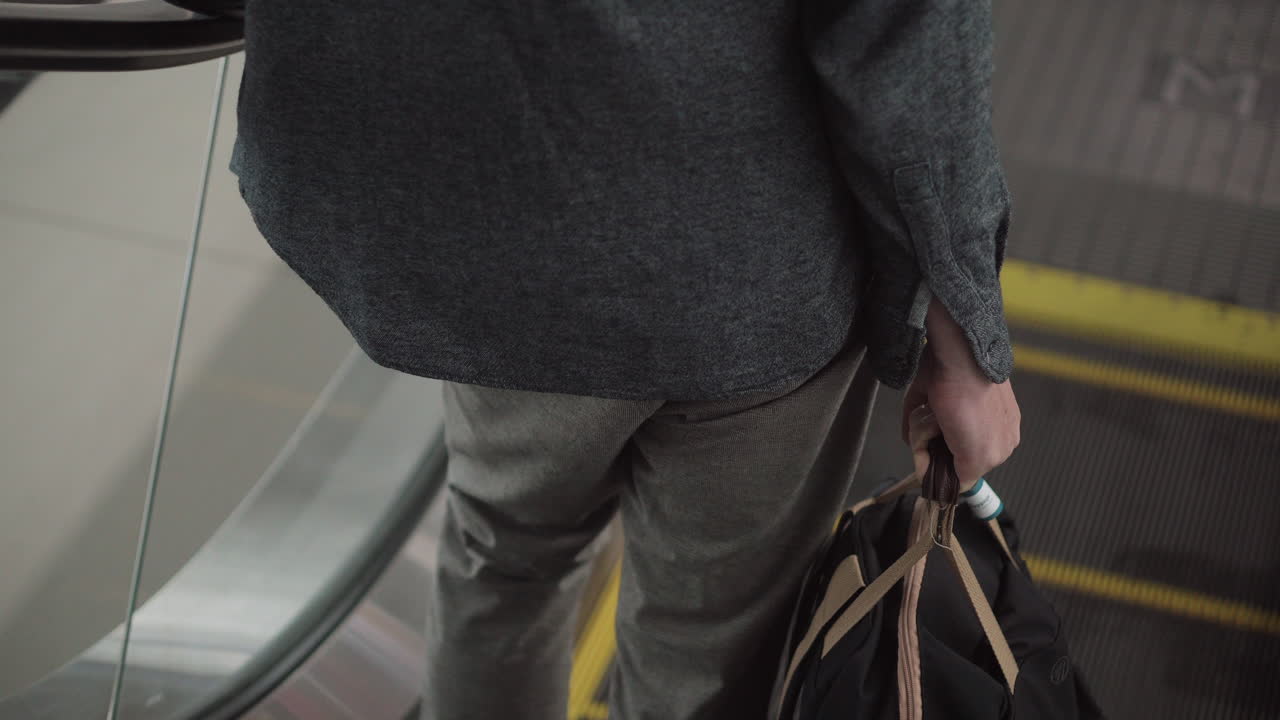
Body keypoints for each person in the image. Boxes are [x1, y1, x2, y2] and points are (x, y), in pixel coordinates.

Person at [230, 0, 1020, 717]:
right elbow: (908, 47)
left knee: (501, 563)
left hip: (499, 263)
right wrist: (964, 339)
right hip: (760, 274)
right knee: (712, 636)